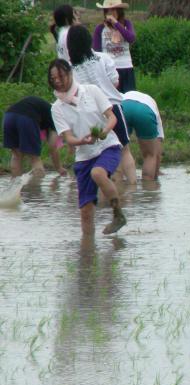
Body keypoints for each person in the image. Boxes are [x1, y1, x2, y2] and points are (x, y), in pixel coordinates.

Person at [48, 59, 127, 235]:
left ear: (70, 74)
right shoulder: (57, 108)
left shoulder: (91, 91)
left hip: (108, 146)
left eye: (61, 76)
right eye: (53, 78)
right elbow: (68, 138)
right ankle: (87, 253)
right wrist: (83, 141)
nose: (58, 81)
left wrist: (104, 131)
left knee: (98, 173)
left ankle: (118, 214)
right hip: (84, 156)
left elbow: (111, 117)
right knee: (85, 212)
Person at [68, 24, 137, 185]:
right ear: (88, 40)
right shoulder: (103, 58)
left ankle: (104, 191)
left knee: (96, 154)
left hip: (88, 114)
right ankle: (133, 188)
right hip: (112, 107)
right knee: (124, 149)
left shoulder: (70, 68)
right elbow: (115, 82)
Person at [3, 96, 67, 177]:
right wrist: (59, 168)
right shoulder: (56, 117)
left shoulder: (44, 108)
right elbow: (53, 147)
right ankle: (37, 189)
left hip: (9, 116)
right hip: (27, 117)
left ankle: (15, 186)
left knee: (16, 155)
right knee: (35, 158)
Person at [93, 0, 136, 92]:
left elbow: (131, 38)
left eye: (113, 10)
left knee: (129, 97)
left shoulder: (126, 24)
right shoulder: (100, 28)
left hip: (126, 67)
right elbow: (96, 52)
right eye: (107, 11)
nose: (110, 13)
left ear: (119, 11)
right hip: (109, 70)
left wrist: (116, 24)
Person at [122, 91, 164, 180]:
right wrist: (155, 176)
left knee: (121, 152)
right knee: (150, 155)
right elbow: (158, 151)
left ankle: (120, 185)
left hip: (123, 106)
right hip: (144, 110)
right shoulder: (153, 105)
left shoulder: (125, 95)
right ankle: (148, 187)